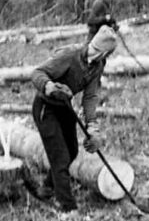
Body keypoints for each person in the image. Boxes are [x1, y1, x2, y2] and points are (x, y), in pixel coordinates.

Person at [30, 25, 118, 211]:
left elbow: (90, 97)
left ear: (105, 55)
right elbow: (37, 73)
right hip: (46, 108)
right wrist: (49, 87)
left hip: (65, 108)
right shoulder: (70, 55)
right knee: (60, 157)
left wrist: (92, 128)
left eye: (99, 53)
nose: (93, 55)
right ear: (91, 43)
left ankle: (47, 188)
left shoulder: (97, 66)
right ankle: (67, 207)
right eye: (93, 49)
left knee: (71, 151)